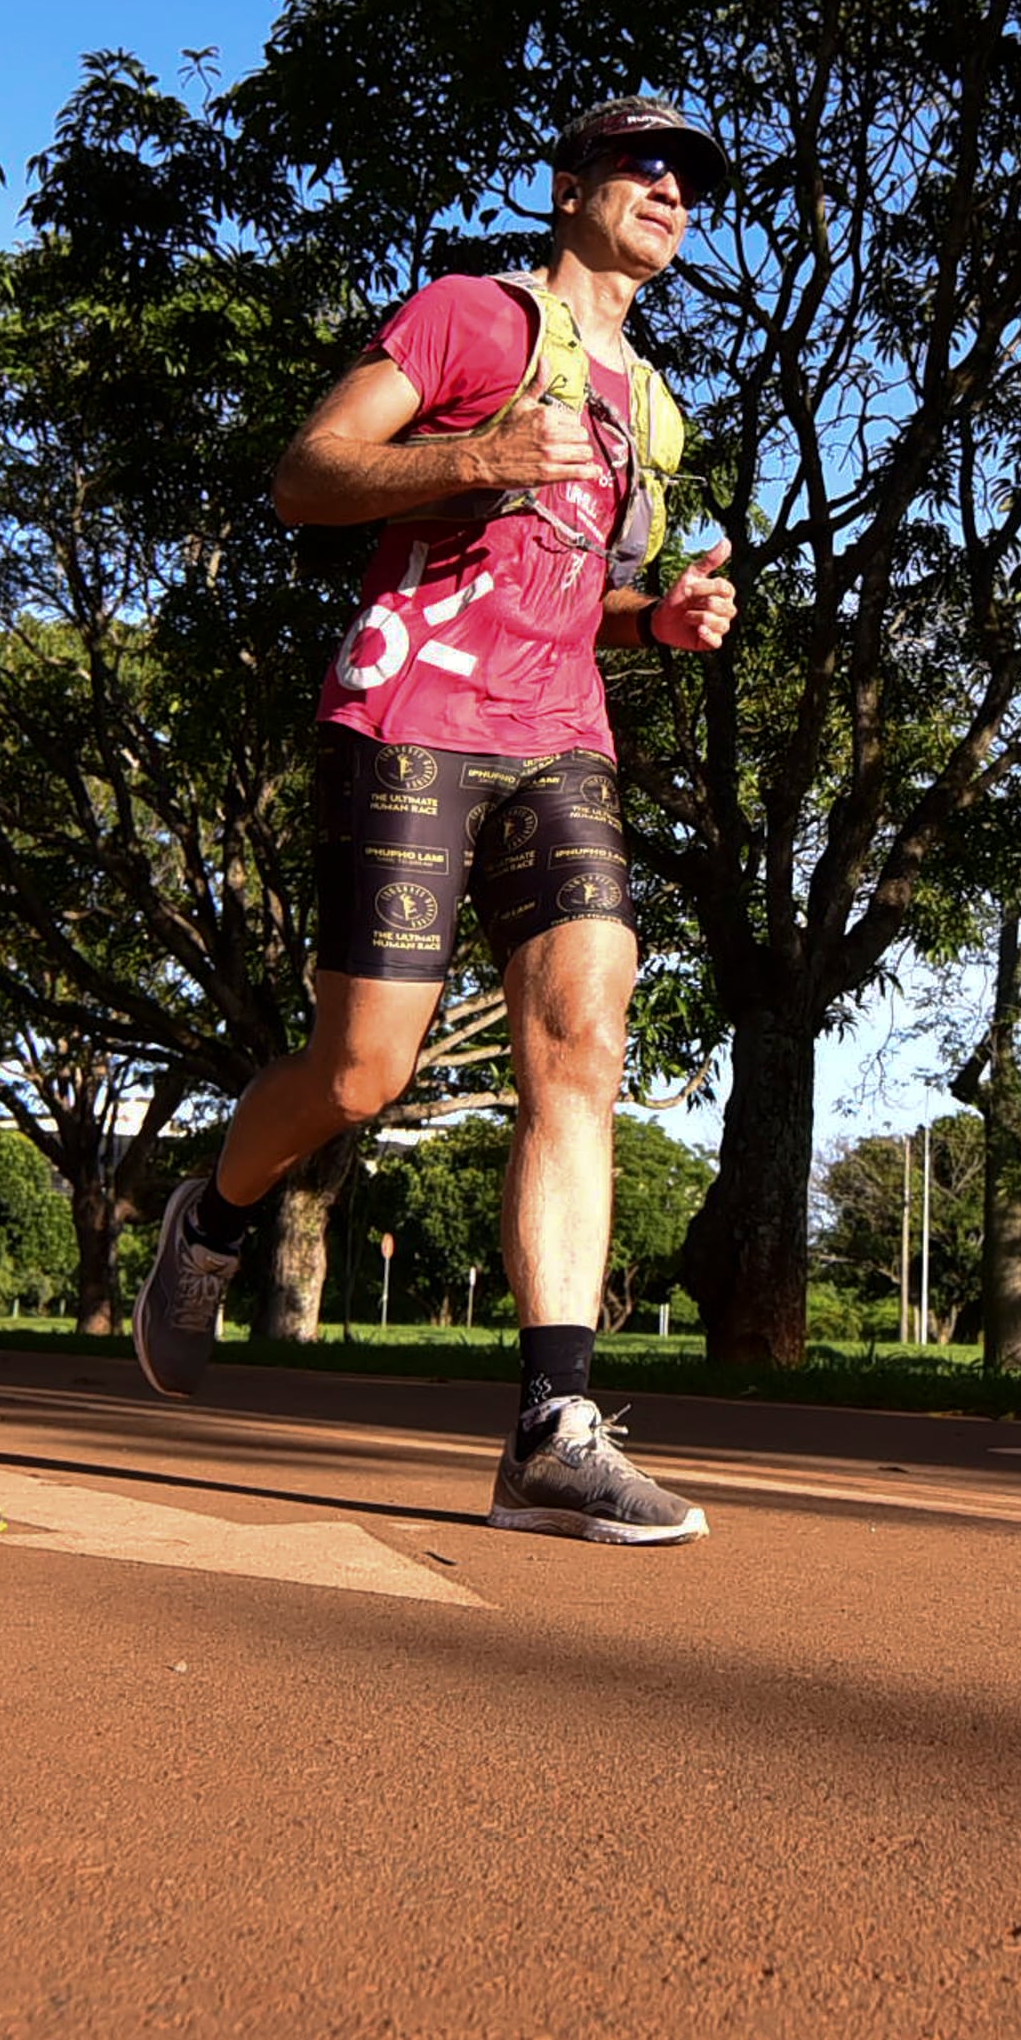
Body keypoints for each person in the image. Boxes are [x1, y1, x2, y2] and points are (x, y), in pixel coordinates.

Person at [133, 97, 741, 1547]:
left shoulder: (649, 406)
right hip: (410, 718)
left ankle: (552, 1427)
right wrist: (474, 457)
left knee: (584, 1039)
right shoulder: (474, 317)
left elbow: (565, 581)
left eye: (689, 178)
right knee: (362, 1074)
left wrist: (657, 616)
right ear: (571, 185)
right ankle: (211, 1218)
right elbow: (308, 475)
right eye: (639, 166)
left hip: (560, 737)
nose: (668, 188)